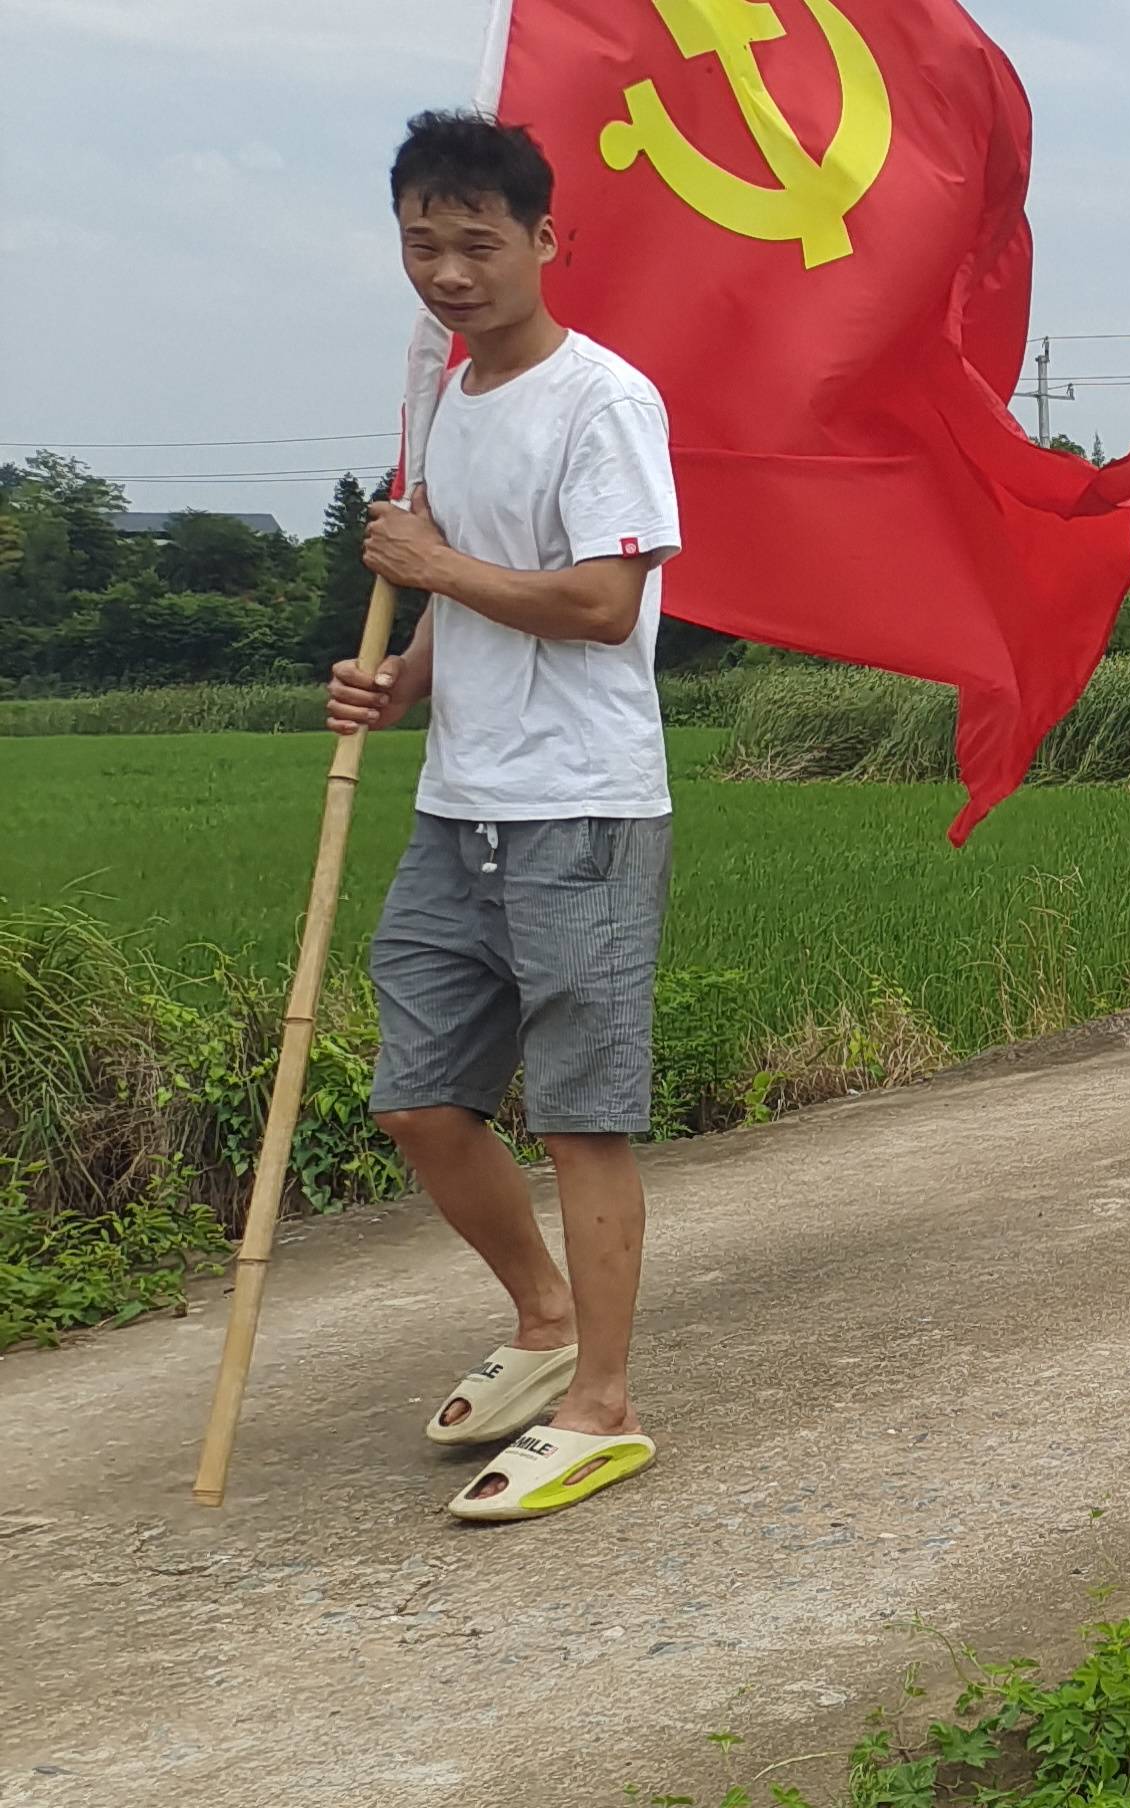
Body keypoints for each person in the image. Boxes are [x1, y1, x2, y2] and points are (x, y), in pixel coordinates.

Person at [326, 112, 680, 1521]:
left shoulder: (605, 401)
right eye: (425, 242)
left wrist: (436, 565)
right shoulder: (442, 397)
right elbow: (460, 604)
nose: (451, 271)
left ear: (546, 240)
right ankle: (542, 1321)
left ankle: (604, 1401)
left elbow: (602, 606)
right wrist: (399, 679)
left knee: (584, 1120)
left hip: (581, 806)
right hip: (457, 802)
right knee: (418, 1098)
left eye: (480, 241)